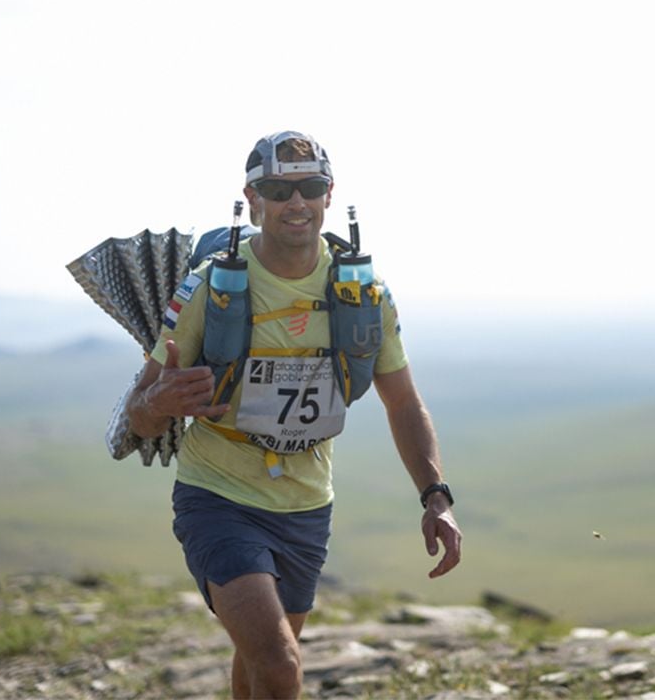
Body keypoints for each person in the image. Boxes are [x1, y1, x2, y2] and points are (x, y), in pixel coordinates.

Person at [125, 130, 462, 699]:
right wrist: (158, 405)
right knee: (280, 663)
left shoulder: (362, 293)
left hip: (306, 503)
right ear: (252, 200)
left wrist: (436, 496)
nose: (296, 202)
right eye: (278, 190)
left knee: (259, 660)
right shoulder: (211, 287)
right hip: (218, 494)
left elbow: (403, 401)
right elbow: (140, 417)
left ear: (330, 195)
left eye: (309, 187)